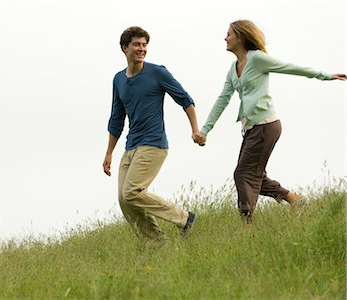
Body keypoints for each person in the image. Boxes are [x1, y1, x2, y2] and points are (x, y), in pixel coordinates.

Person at [197, 20, 346, 224]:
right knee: (255, 175)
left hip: (266, 125)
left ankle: (247, 224)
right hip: (251, 128)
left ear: (240, 37)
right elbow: (223, 99)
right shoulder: (233, 69)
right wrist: (205, 130)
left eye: (229, 34)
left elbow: (289, 68)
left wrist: (326, 76)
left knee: (243, 174)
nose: (225, 38)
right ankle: (294, 199)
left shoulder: (257, 59)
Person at [102, 26, 201, 241]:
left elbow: (185, 100)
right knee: (124, 199)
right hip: (131, 146)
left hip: (154, 144)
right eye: (137, 44)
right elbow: (116, 119)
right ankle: (158, 244)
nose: (142, 49)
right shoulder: (118, 79)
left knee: (132, 192)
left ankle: (184, 218)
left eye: (144, 45)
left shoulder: (157, 73)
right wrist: (109, 153)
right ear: (124, 48)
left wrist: (195, 129)